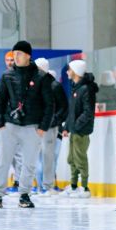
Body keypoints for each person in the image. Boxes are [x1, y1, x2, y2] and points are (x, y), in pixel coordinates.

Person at [0, 41, 53, 208]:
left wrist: (42, 127)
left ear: (28, 55)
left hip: (32, 127)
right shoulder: (7, 76)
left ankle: (24, 195)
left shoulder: (41, 77)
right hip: (9, 126)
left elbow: (49, 104)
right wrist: (0, 124)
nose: (16, 57)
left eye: (19, 54)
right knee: (3, 162)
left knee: (29, 163)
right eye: (14, 54)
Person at [62, 59, 98, 199]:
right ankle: (73, 185)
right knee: (71, 158)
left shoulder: (86, 89)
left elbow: (88, 112)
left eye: (69, 69)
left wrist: (76, 126)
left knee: (80, 158)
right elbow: (72, 111)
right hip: (74, 130)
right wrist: (67, 127)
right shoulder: (76, 88)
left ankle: (84, 187)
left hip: (81, 131)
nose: (67, 72)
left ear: (76, 71)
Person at [33, 59, 68, 196]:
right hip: (35, 126)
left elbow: (64, 107)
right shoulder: (34, 84)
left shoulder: (54, 85)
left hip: (49, 127)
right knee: (35, 157)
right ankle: (38, 185)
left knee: (48, 156)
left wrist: (53, 121)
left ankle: (47, 186)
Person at [1, 51, 22, 195]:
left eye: (11, 60)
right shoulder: (4, 77)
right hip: (6, 122)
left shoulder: (20, 77)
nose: (9, 62)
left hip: (19, 121)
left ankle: (20, 182)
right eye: (7, 60)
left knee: (19, 154)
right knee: (7, 154)